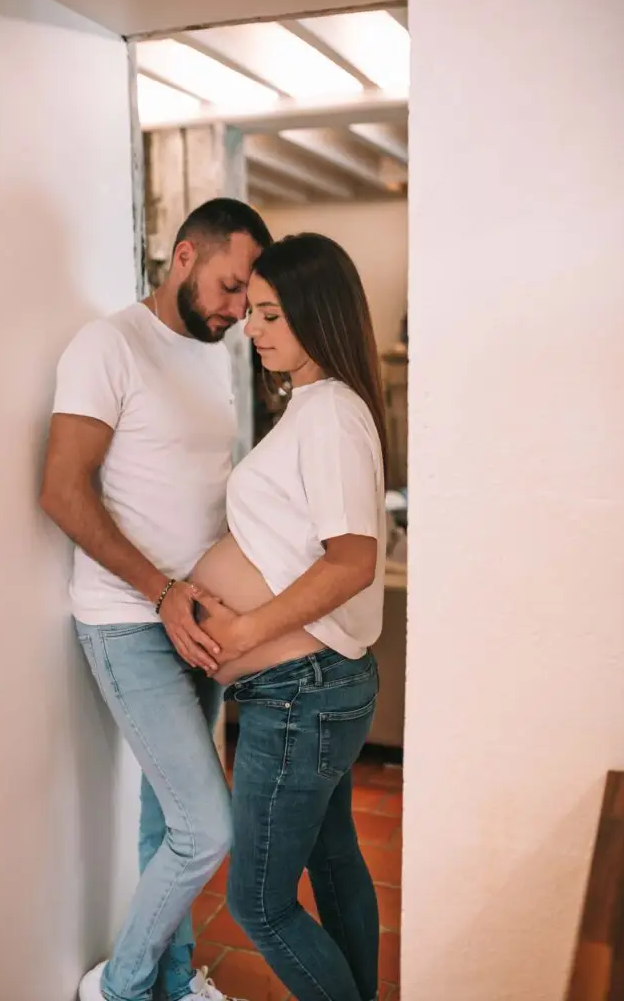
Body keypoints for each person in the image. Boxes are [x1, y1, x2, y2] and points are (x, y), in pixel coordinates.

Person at [39, 197, 273, 1001]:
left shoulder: (212, 352)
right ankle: (121, 986)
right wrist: (163, 592)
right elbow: (63, 491)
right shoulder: (109, 345)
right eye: (229, 286)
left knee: (164, 824)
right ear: (183, 256)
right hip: (130, 621)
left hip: (199, 621)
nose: (237, 310)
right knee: (208, 827)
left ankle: (172, 984)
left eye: (246, 297)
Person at [187, 233, 387, 1001]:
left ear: (316, 313)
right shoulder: (316, 406)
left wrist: (241, 630)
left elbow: (350, 560)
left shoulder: (330, 411)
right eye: (252, 311)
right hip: (310, 687)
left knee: (258, 905)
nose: (251, 327)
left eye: (270, 313)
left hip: (300, 692)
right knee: (333, 860)